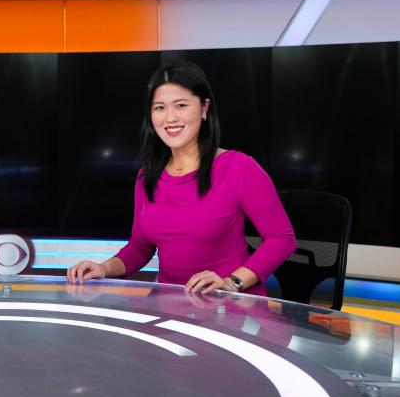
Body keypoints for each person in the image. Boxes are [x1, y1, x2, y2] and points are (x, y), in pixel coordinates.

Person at [67, 61, 295, 296]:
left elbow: (282, 239)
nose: (170, 118)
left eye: (181, 105)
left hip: (230, 307)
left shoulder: (239, 167)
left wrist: (231, 282)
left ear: (205, 108)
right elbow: (140, 248)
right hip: (171, 306)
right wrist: (103, 268)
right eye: (159, 108)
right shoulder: (148, 174)